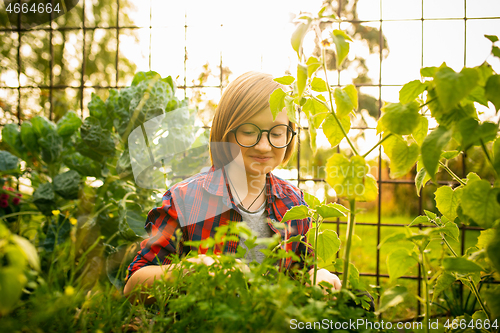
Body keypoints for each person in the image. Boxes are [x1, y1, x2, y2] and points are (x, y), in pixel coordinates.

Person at [123, 71, 341, 303]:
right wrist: (189, 271)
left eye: (277, 133)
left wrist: (319, 277)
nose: (265, 146)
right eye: (249, 132)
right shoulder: (185, 200)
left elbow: (303, 270)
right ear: (226, 132)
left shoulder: (294, 203)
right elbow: (133, 286)